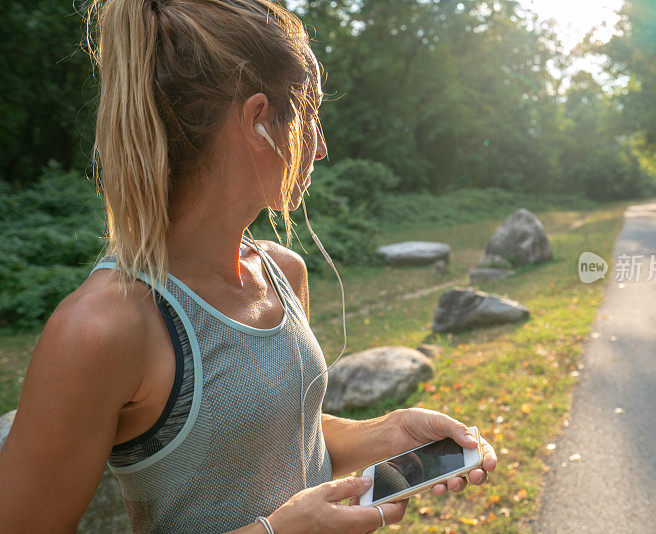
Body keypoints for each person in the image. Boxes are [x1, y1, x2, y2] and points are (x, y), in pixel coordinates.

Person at [0, 0, 497, 532]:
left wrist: (389, 432)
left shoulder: (284, 272)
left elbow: (277, 437)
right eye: (309, 116)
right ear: (259, 120)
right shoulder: (104, 326)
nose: (322, 147)